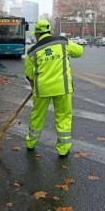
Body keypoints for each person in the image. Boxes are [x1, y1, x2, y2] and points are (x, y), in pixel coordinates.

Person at [24, 20, 84, 157]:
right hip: (62, 87)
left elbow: (29, 74)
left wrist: (33, 84)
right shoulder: (63, 42)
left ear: (38, 34)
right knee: (63, 116)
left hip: (42, 89)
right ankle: (63, 149)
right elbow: (79, 52)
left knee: (37, 116)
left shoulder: (32, 51)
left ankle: (30, 143)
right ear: (49, 30)